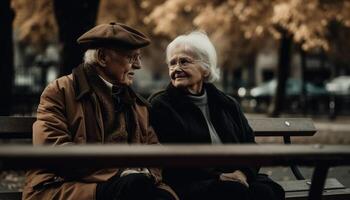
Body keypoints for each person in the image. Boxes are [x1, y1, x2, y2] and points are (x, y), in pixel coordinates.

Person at [23, 22, 178, 200]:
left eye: (139, 58)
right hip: (68, 185)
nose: (138, 66)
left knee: (161, 195)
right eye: (131, 58)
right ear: (103, 57)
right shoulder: (60, 91)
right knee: (134, 186)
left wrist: (148, 172)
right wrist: (119, 172)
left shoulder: (136, 103)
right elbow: (55, 151)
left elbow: (153, 150)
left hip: (129, 185)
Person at [149, 31, 285, 200]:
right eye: (172, 63)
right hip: (191, 183)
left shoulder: (226, 103)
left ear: (205, 67)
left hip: (235, 178)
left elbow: (250, 146)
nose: (176, 68)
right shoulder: (162, 105)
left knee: (268, 191)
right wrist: (219, 177)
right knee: (234, 192)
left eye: (184, 61)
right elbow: (174, 159)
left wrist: (243, 173)